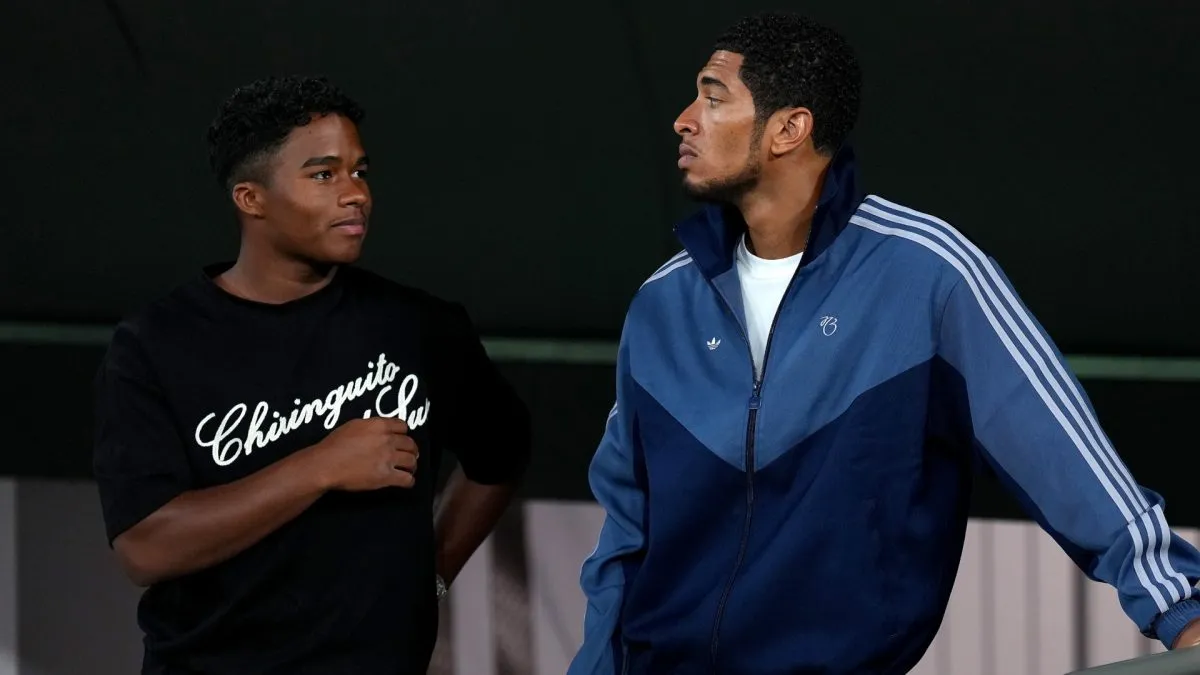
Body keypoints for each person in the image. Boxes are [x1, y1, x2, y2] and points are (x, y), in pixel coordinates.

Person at [569, 12, 1200, 674]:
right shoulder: (659, 304)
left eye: (713, 95)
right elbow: (623, 536)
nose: (684, 118)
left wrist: (1181, 607)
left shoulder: (929, 274)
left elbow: (1065, 455)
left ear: (789, 128)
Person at [92, 75, 531, 674]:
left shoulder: (420, 326)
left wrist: (427, 577)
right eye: (324, 175)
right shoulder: (156, 344)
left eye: (360, 171)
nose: (356, 194)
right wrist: (320, 467)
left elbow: (501, 455)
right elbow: (146, 547)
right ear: (252, 199)